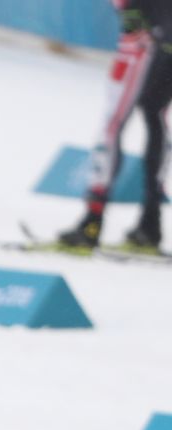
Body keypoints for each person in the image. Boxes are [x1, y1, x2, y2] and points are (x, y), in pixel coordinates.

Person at [57, 1, 172, 252]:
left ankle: (92, 223)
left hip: (144, 41)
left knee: (112, 125)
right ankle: (150, 225)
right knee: (155, 116)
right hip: (157, 35)